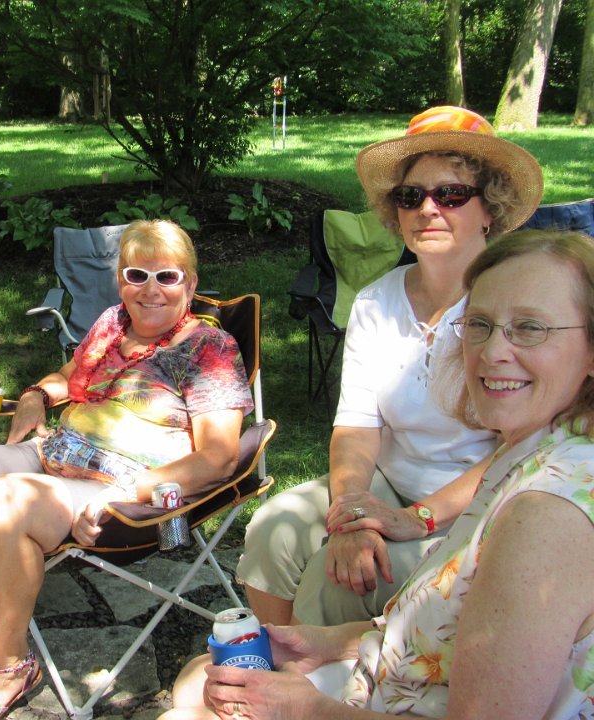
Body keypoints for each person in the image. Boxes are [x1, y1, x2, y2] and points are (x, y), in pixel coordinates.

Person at [165, 228, 594, 719]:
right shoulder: (531, 449)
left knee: (190, 710)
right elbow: (439, 626)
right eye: (480, 323)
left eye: (531, 327)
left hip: (399, 699)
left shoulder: (546, 516)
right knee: (198, 680)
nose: (494, 350)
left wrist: (303, 709)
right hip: (393, 670)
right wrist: (326, 643)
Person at [0, 219, 254, 720]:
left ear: (189, 284)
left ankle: (9, 666)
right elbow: (70, 375)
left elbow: (218, 458)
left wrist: (134, 489)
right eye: (137, 275)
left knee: (5, 504)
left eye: (167, 276)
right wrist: (37, 394)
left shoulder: (209, 349)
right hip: (56, 454)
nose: (151, 289)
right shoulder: (112, 324)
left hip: (121, 489)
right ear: (120, 281)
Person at [236, 106, 544, 626]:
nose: (428, 208)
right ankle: (280, 660)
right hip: (388, 481)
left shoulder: (516, 308)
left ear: (490, 208)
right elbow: (357, 424)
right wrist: (352, 513)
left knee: (341, 582)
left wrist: (414, 518)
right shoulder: (377, 301)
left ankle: (318, 671)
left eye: (451, 194)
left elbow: (523, 449)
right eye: (410, 196)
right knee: (273, 529)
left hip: (483, 503)